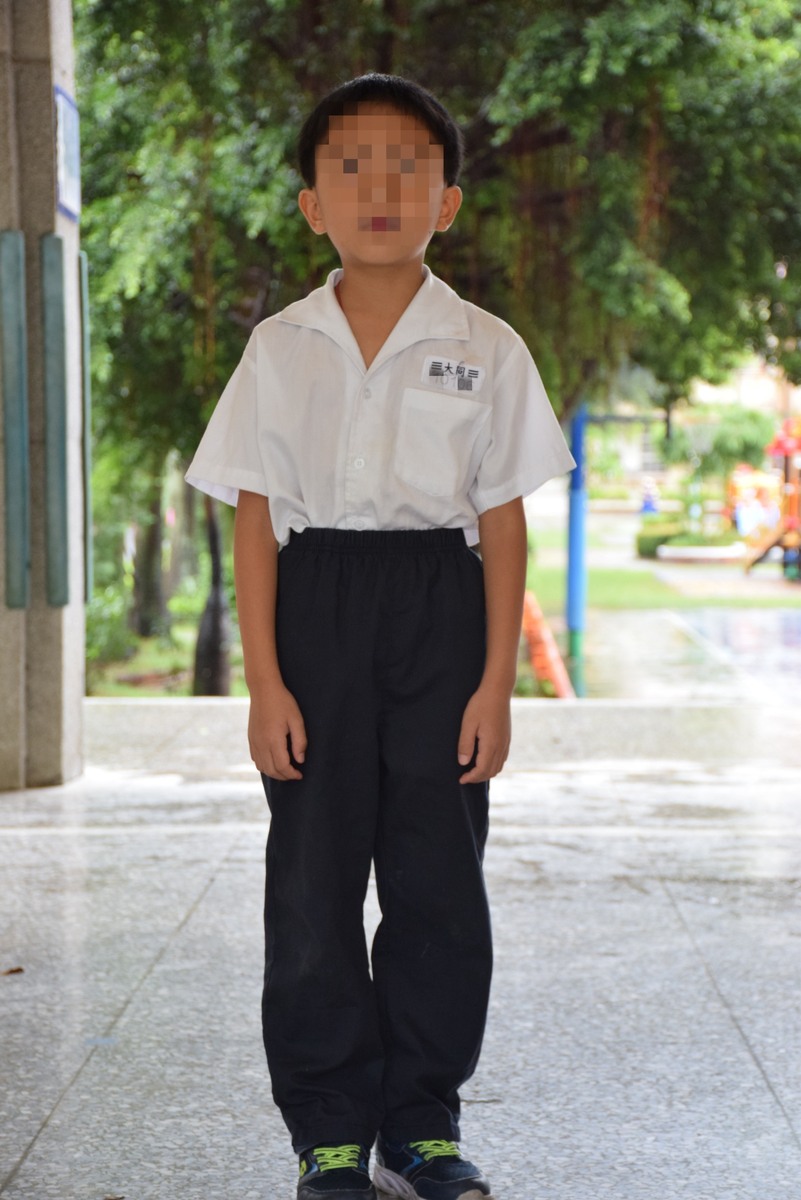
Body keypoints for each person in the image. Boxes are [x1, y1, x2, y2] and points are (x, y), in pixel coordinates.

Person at [186, 73, 575, 1200]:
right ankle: (328, 1131)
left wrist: (494, 686)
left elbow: (502, 526)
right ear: (311, 202)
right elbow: (256, 518)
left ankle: (424, 1124)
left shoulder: (488, 347)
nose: (380, 188)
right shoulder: (278, 347)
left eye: (409, 165)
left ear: (448, 201)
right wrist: (265, 684)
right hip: (317, 604)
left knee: (438, 880)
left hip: (437, 611)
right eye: (349, 166)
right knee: (311, 886)